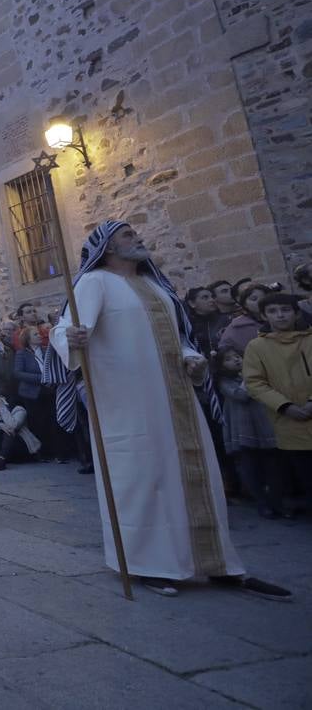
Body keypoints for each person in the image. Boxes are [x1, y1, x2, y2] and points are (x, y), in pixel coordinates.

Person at [49, 220, 289, 600]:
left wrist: (193, 358)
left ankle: (218, 563)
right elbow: (65, 328)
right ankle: (146, 564)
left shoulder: (156, 286)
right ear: (108, 247)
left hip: (175, 394)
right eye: (127, 235)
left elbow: (179, 338)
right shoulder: (93, 282)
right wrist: (72, 337)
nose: (137, 238)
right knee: (143, 479)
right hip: (127, 403)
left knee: (196, 476)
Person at [241, 293, 312, 522]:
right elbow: (255, 382)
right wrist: (284, 406)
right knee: (307, 476)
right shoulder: (257, 346)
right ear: (263, 315)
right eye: (272, 311)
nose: (280, 315)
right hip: (289, 421)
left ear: (296, 313)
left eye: (285, 310)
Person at [214, 347, 281, 518]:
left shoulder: (256, 373)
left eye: (237, 356)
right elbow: (241, 395)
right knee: (249, 466)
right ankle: (261, 502)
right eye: (228, 359)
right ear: (221, 365)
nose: (236, 360)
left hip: (263, 424)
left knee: (272, 465)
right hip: (241, 428)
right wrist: (248, 377)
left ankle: (276, 502)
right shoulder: (223, 381)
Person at [15, 328, 72, 462]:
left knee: (54, 421)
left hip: (49, 391)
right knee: (38, 423)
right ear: (28, 339)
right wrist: (41, 378)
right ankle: (42, 453)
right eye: (35, 334)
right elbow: (18, 373)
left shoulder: (47, 351)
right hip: (32, 394)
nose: (39, 336)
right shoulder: (21, 354)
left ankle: (58, 453)